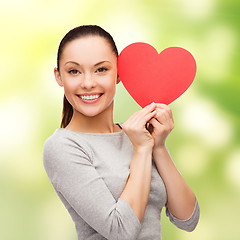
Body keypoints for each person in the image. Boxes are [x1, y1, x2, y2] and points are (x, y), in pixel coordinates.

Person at [43, 25, 200, 240]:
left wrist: (159, 146)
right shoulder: (62, 147)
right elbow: (120, 232)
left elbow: (188, 219)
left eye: (101, 69)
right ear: (59, 76)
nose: (88, 83)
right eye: (74, 71)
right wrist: (143, 150)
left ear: (119, 73)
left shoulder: (137, 135)